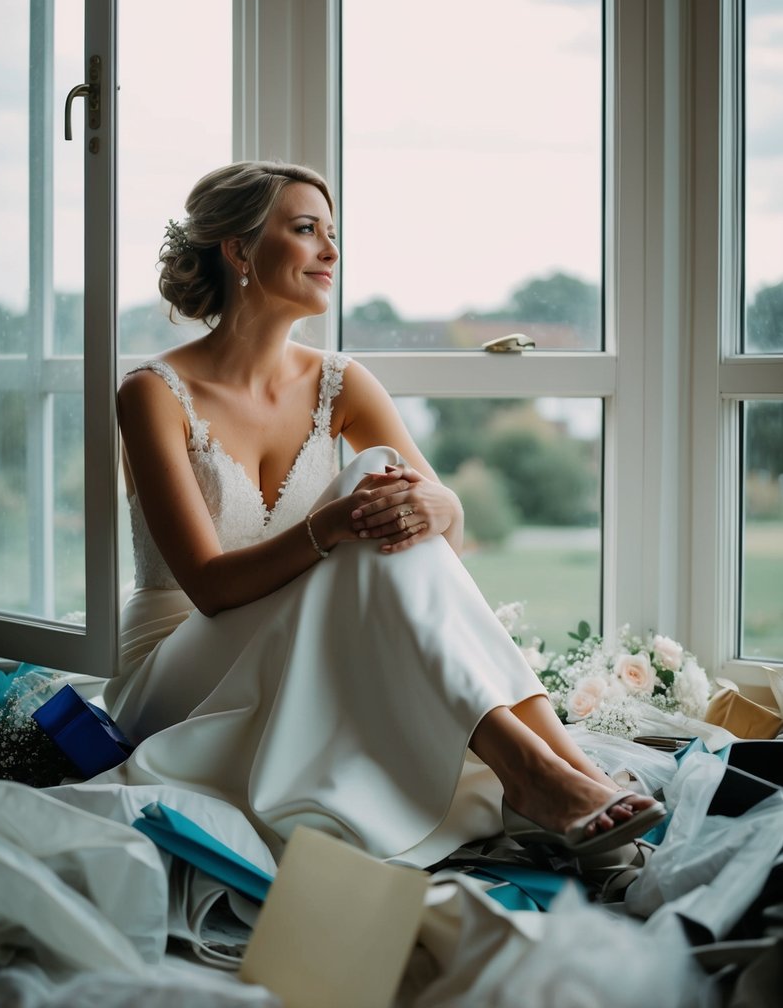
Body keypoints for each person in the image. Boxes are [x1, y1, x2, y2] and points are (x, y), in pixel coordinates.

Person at [105, 160, 664, 867]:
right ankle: (536, 773)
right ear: (238, 250)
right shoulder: (152, 392)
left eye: (331, 234)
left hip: (294, 644)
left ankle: (566, 774)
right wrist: (327, 527)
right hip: (177, 667)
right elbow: (208, 588)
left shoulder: (339, 381)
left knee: (382, 486)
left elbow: (443, 544)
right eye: (306, 230)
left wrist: (442, 501)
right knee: (367, 493)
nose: (331, 253)